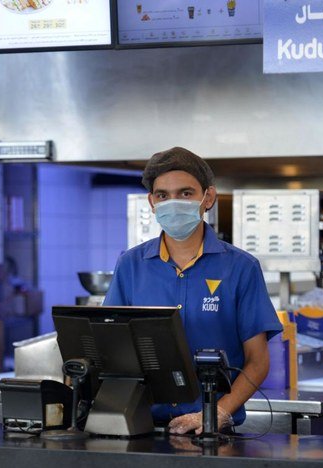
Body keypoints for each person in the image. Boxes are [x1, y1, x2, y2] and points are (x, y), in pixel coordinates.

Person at [103, 147, 282, 434]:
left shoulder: (241, 268)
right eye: (163, 195)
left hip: (213, 431)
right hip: (142, 429)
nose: (173, 203)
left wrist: (219, 412)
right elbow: (110, 349)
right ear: (152, 202)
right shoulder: (130, 266)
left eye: (185, 193)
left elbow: (258, 361)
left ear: (207, 197)